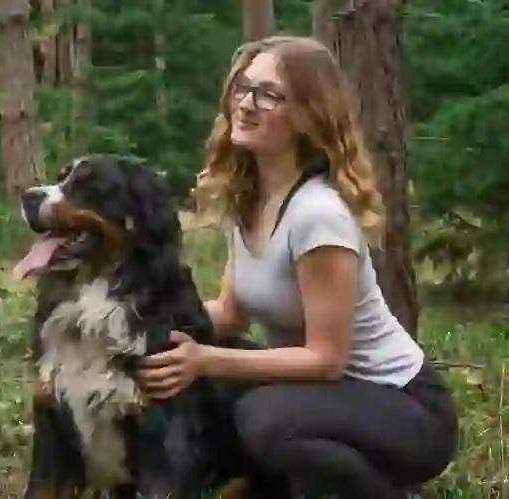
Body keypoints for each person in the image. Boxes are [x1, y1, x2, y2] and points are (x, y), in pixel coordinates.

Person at [137, 36, 458, 499]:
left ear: (309, 115)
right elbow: (229, 312)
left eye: (269, 94)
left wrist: (205, 361)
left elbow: (325, 360)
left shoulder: (317, 214)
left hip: (403, 408)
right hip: (324, 398)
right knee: (234, 382)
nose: (246, 104)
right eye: (242, 88)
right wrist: (139, 327)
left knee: (260, 414)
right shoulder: (250, 197)